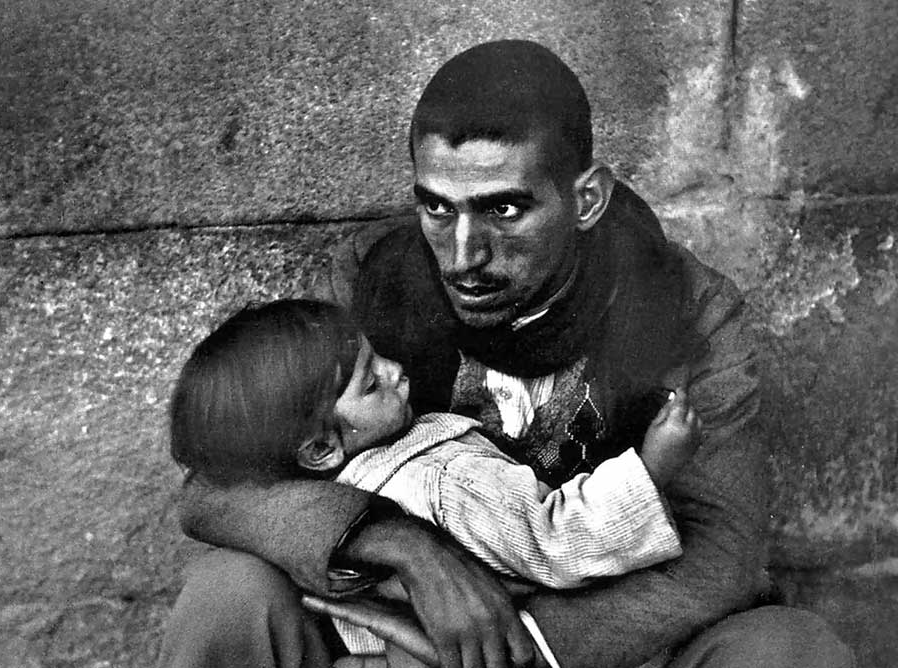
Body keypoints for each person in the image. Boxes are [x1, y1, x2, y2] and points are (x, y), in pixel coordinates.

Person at [158, 40, 854, 668]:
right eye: (437, 208)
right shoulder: (370, 282)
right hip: (394, 627)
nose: (462, 257)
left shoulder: (691, 311)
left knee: (793, 652)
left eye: (503, 210)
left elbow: (720, 560)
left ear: (585, 199)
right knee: (229, 595)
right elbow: (217, 487)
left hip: (596, 645)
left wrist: (503, 646)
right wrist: (407, 550)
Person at [168, 298, 702, 663]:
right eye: (372, 382)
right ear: (320, 448)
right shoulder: (442, 480)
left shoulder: (332, 493)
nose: (397, 370)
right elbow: (554, 540)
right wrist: (651, 471)